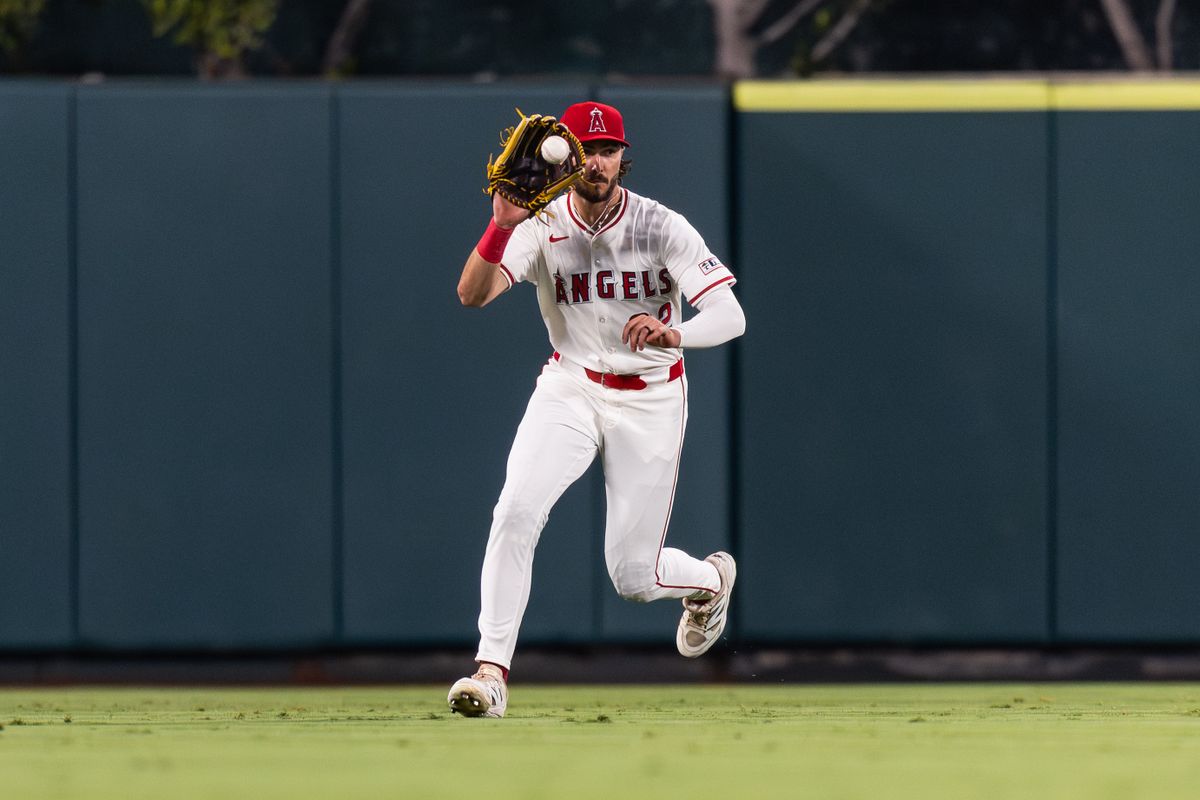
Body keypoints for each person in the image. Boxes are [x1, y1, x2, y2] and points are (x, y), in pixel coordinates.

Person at [447, 101, 746, 718]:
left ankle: (711, 580)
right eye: (585, 148)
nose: (597, 161)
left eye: (609, 150)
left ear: (621, 158)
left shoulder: (662, 225)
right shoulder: (539, 222)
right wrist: (501, 222)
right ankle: (491, 671)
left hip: (652, 398)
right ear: (565, 154)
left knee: (634, 579)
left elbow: (730, 316)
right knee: (515, 510)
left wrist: (676, 334)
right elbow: (472, 295)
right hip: (572, 386)